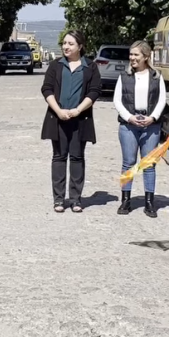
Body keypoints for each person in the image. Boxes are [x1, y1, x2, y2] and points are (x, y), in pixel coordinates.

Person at [41, 30, 101, 213]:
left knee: (77, 158)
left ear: (80, 46)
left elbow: (94, 91)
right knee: (59, 157)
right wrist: (58, 111)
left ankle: (76, 199)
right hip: (57, 118)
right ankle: (59, 199)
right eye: (64, 43)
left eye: (70, 44)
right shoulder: (55, 65)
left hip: (80, 119)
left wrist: (77, 110)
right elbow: (47, 89)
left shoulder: (90, 67)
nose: (66, 47)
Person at [114, 40, 167, 217]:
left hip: (150, 125)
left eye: (136, 55)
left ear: (146, 56)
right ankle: (126, 200)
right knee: (128, 162)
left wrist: (153, 118)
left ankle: (150, 202)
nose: (132, 58)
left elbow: (162, 100)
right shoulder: (124, 76)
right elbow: (117, 100)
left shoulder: (156, 76)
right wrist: (129, 117)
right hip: (129, 124)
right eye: (131, 54)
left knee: (148, 164)